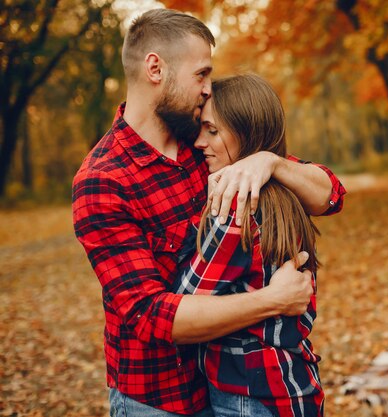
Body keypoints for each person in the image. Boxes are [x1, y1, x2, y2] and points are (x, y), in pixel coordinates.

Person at [71, 8, 346, 417]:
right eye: (201, 74)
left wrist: (271, 162)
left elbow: (331, 196)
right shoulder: (103, 180)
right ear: (155, 68)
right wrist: (274, 300)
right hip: (158, 399)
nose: (207, 88)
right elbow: (152, 317)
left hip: (229, 387)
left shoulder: (205, 145)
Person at [174, 74, 324, 417]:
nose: (199, 142)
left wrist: (200, 226)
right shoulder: (285, 192)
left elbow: (184, 301)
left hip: (249, 396)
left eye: (212, 131)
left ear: (246, 132)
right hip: (293, 382)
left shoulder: (235, 207)